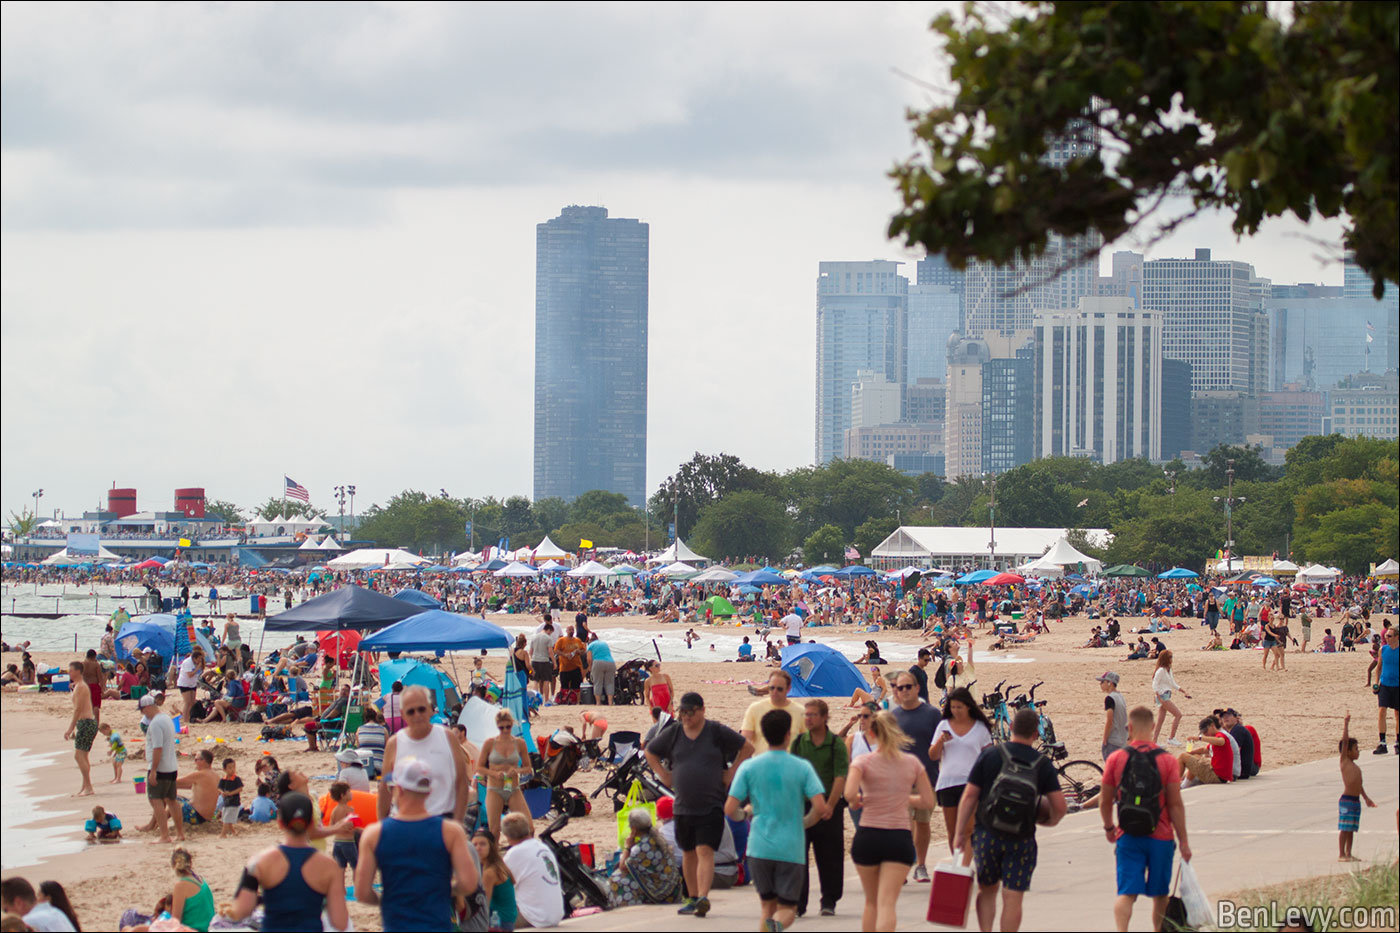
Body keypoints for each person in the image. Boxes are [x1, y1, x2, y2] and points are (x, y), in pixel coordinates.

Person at [955, 708, 1067, 933]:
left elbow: (968, 797)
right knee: (1013, 898)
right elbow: (1060, 807)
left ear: (1011, 727)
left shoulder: (991, 755)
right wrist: (1049, 821)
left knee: (987, 891)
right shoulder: (1042, 764)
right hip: (1021, 838)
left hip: (987, 833)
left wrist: (959, 833)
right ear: (1036, 733)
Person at [646, 690, 754, 918]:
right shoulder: (674, 732)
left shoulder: (715, 731)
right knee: (688, 852)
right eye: (683, 712)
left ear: (702, 711)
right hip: (683, 805)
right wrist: (664, 776)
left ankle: (703, 897)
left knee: (704, 850)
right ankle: (692, 897)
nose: (686, 717)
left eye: (691, 713)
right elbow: (650, 751)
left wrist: (731, 772)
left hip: (712, 802)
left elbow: (747, 747)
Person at [725, 709, 826, 933]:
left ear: (763, 734)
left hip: (759, 846)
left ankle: (771, 926)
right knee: (788, 908)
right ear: (788, 734)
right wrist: (804, 823)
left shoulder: (750, 767)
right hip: (790, 846)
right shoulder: (802, 767)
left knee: (766, 908)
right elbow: (820, 807)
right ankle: (777, 926)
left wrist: (747, 815)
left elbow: (731, 809)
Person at [356, 758, 478, 930]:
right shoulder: (450, 831)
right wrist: (443, 891)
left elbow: (362, 892)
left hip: (397, 923)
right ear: (429, 792)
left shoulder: (374, 834)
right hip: (437, 924)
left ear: (399, 790)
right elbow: (469, 882)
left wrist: (387, 900)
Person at [1099, 705, 1191, 932]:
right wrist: (1185, 841)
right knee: (1160, 893)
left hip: (1128, 835)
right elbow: (1175, 804)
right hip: (1161, 836)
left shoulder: (1117, 758)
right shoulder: (1167, 760)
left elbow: (1105, 799)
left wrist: (1110, 828)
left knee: (1127, 893)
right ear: (1152, 727)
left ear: (1129, 728)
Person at [844, 710, 935, 932]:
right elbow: (927, 800)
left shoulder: (862, 761)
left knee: (871, 902)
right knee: (887, 904)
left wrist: (861, 800)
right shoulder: (911, 763)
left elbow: (849, 795)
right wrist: (903, 797)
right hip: (898, 835)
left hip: (869, 834)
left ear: (872, 733)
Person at [231, 792, 349, 932]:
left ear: (280, 823)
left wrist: (263, 899)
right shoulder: (329, 866)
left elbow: (241, 911)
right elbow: (340, 922)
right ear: (311, 823)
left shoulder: (260, 862)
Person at [378, 684, 471, 823]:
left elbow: (462, 783)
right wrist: (382, 828)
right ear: (403, 714)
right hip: (405, 821)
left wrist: (456, 823)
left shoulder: (447, 737)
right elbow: (385, 789)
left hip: (442, 819)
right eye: (411, 711)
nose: (417, 715)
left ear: (430, 709)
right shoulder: (394, 743)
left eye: (421, 709)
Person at [791, 699, 848, 918]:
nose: (808, 718)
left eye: (813, 715)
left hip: (829, 804)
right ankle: (799, 903)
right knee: (799, 856)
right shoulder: (798, 743)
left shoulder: (835, 744)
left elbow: (840, 776)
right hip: (803, 806)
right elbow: (793, 774)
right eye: (806, 714)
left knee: (830, 856)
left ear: (825, 717)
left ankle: (829, 900)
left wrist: (830, 805)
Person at [890, 669, 941, 882]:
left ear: (917, 688)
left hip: (927, 778)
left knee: (922, 822)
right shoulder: (893, 717)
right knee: (903, 823)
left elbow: (941, 746)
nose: (904, 691)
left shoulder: (932, 714)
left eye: (908, 687)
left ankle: (920, 864)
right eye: (899, 688)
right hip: (900, 780)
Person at [929, 687, 994, 857]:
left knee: (968, 829)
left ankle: (965, 866)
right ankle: (958, 867)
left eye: (959, 707)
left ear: (968, 706)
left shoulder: (980, 728)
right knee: (953, 831)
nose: (955, 710)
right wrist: (941, 740)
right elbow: (933, 755)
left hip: (971, 784)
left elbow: (989, 757)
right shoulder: (943, 725)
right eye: (953, 707)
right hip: (947, 784)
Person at [501, 811, 565, 928]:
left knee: (493, 911)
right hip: (555, 914)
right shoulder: (543, 847)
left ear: (507, 836)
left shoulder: (514, 854)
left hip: (534, 917)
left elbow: (502, 887)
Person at [609, 807, 683, 908]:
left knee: (617, 878)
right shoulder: (657, 837)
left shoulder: (642, 847)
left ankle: (628, 905)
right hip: (673, 887)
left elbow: (623, 866)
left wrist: (627, 847)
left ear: (634, 829)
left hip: (662, 891)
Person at [476, 709, 534, 837]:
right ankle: (494, 856)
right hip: (494, 788)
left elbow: (528, 768)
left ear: (512, 725)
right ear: (497, 727)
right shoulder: (490, 743)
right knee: (494, 830)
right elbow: (479, 768)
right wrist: (493, 773)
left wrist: (517, 770)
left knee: (529, 828)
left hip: (513, 788)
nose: (505, 730)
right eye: (502, 728)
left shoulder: (519, 743)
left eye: (508, 727)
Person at [140, 692, 183, 843]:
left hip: (161, 768)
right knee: (172, 801)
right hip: (172, 766)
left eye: (142, 710)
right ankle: (180, 833)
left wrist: (153, 770)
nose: (142, 714)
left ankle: (164, 836)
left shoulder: (156, 723)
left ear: (147, 708)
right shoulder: (166, 719)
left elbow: (157, 748)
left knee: (156, 801)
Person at [741, 670, 797, 754]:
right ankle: (759, 691)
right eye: (771, 688)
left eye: (779, 689)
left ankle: (759, 691)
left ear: (788, 689)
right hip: (761, 762)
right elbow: (745, 739)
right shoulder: (755, 709)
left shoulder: (800, 712)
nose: (774, 692)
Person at [62, 661, 96, 797]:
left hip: (86, 723)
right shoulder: (78, 686)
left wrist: (70, 728)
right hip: (85, 723)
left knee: (79, 755)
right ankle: (85, 786)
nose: (69, 673)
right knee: (83, 756)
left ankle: (88, 787)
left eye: (71, 671)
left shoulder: (81, 686)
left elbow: (78, 709)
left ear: (77, 671)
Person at [473, 829, 518, 930]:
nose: (478, 848)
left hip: (499, 922)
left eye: (483, 844)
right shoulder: (499, 864)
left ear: (491, 847)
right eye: (474, 845)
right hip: (509, 919)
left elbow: (484, 905)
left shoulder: (489, 872)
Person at [164, 847, 216, 932]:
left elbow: (176, 921)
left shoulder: (180, 886)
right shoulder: (200, 880)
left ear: (174, 866)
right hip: (210, 928)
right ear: (190, 864)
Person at [0, 877, 77, 932]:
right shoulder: (55, 912)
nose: (7, 915)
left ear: (18, 903)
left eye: (6, 910)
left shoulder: (28, 921)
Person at [1176, 716, 1233, 787]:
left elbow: (1221, 741)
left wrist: (1200, 738)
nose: (1205, 734)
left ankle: (1174, 785)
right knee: (1196, 757)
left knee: (1182, 756)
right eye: (1203, 733)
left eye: (1206, 731)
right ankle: (1184, 784)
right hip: (1219, 775)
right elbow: (1204, 750)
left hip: (1217, 776)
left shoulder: (1221, 736)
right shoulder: (1215, 738)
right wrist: (1191, 753)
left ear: (1212, 726)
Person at [1150, 651, 1189, 746]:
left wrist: (1183, 691)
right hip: (1162, 696)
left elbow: (1172, 683)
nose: (1172, 659)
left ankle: (1154, 741)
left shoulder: (1168, 669)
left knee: (1160, 719)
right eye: (1170, 657)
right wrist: (1159, 697)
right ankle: (1171, 738)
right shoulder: (1161, 670)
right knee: (1178, 715)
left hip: (1166, 694)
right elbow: (1154, 685)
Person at [175, 749, 221, 827]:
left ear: (203, 761)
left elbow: (175, 783)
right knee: (176, 797)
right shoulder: (216, 776)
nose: (195, 762)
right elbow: (191, 786)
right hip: (209, 817)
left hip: (197, 816)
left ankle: (155, 825)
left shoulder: (200, 775)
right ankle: (156, 824)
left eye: (196, 760)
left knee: (171, 800)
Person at [327, 782, 359, 888]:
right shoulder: (349, 810)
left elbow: (332, 826)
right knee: (356, 866)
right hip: (348, 843)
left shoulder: (334, 811)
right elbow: (354, 827)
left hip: (337, 843)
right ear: (342, 795)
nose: (351, 793)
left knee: (340, 868)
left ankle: (341, 889)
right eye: (349, 792)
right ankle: (357, 888)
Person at [1375, 625, 1399, 754]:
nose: (1386, 638)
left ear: (1397, 637)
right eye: (1386, 636)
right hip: (1385, 685)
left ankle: (1398, 742)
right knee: (1381, 711)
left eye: (1389, 636)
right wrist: (1376, 683)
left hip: (1397, 686)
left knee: (1397, 714)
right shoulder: (1383, 649)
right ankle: (1382, 742)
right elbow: (1379, 668)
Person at [1218, 709, 1257, 780]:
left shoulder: (1238, 730)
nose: (1225, 718)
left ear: (1236, 718)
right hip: (1243, 770)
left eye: (1228, 715)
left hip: (1241, 771)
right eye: (1223, 717)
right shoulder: (1234, 730)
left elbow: (1234, 751)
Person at [1099, 672, 1129, 762]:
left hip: (1113, 740)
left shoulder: (1110, 698)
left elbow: (1110, 720)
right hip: (1123, 738)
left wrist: (1105, 738)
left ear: (1110, 683)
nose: (1100, 685)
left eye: (1102, 682)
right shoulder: (1120, 696)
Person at [354, 706, 389, 778]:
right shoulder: (383, 730)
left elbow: (358, 748)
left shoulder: (359, 730)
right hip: (380, 768)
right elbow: (387, 749)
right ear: (375, 717)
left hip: (364, 768)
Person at [528, 620, 557, 704]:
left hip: (534, 661)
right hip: (544, 661)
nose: (550, 634)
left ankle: (534, 699)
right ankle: (546, 700)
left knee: (536, 681)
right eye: (550, 632)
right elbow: (550, 652)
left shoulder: (534, 637)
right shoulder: (548, 638)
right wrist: (555, 663)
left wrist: (533, 658)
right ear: (549, 630)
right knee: (546, 680)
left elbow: (530, 652)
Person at [553, 625, 586, 694]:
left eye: (572, 630)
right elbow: (556, 650)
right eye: (569, 630)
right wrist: (564, 654)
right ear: (566, 631)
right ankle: (565, 700)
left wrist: (578, 651)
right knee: (564, 686)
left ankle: (577, 701)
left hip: (576, 666)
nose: (571, 631)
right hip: (564, 667)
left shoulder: (577, 640)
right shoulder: (561, 640)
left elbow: (583, 650)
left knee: (576, 686)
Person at [587, 634, 617, 704]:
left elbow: (589, 659)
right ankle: (610, 702)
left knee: (598, 683)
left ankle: (598, 702)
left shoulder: (590, 645)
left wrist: (590, 667)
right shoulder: (604, 643)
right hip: (611, 662)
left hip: (598, 662)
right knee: (610, 683)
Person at [219, 757, 244, 837]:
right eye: (230, 768)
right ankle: (234, 832)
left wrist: (231, 793)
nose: (232, 769)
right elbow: (219, 788)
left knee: (227, 818)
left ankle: (223, 834)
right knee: (226, 818)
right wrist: (222, 792)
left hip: (234, 802)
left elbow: (240, 789)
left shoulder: (236, 779)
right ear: (224, 769)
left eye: (233, 767)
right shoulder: (223, 780)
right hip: (226, 802)